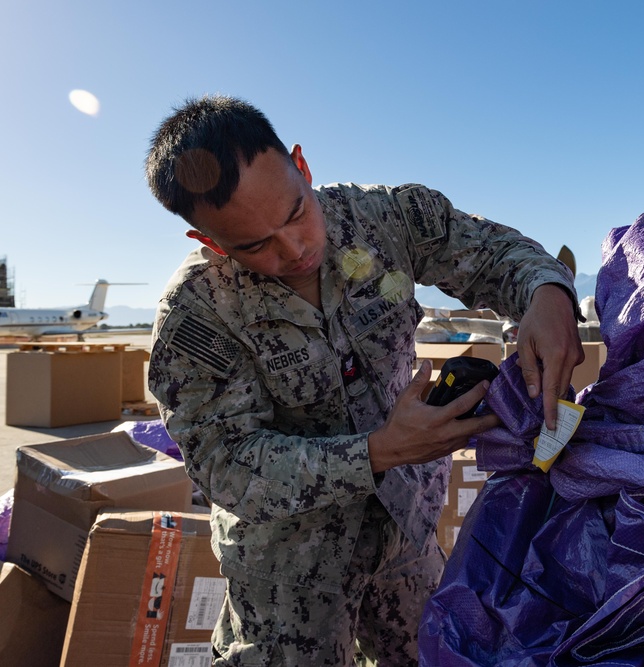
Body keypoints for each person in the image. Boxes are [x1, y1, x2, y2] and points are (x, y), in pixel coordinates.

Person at [143, 95, 583, 666]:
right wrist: (376, 451)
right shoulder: (196, 316)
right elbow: (225, 465)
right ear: (208, 242)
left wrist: (547, 294)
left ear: (302, 166)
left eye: (297, 213)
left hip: (406, 534)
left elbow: (495, 254)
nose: (295, 249)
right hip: (290, 570)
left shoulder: (386, 218)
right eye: (255, 246)